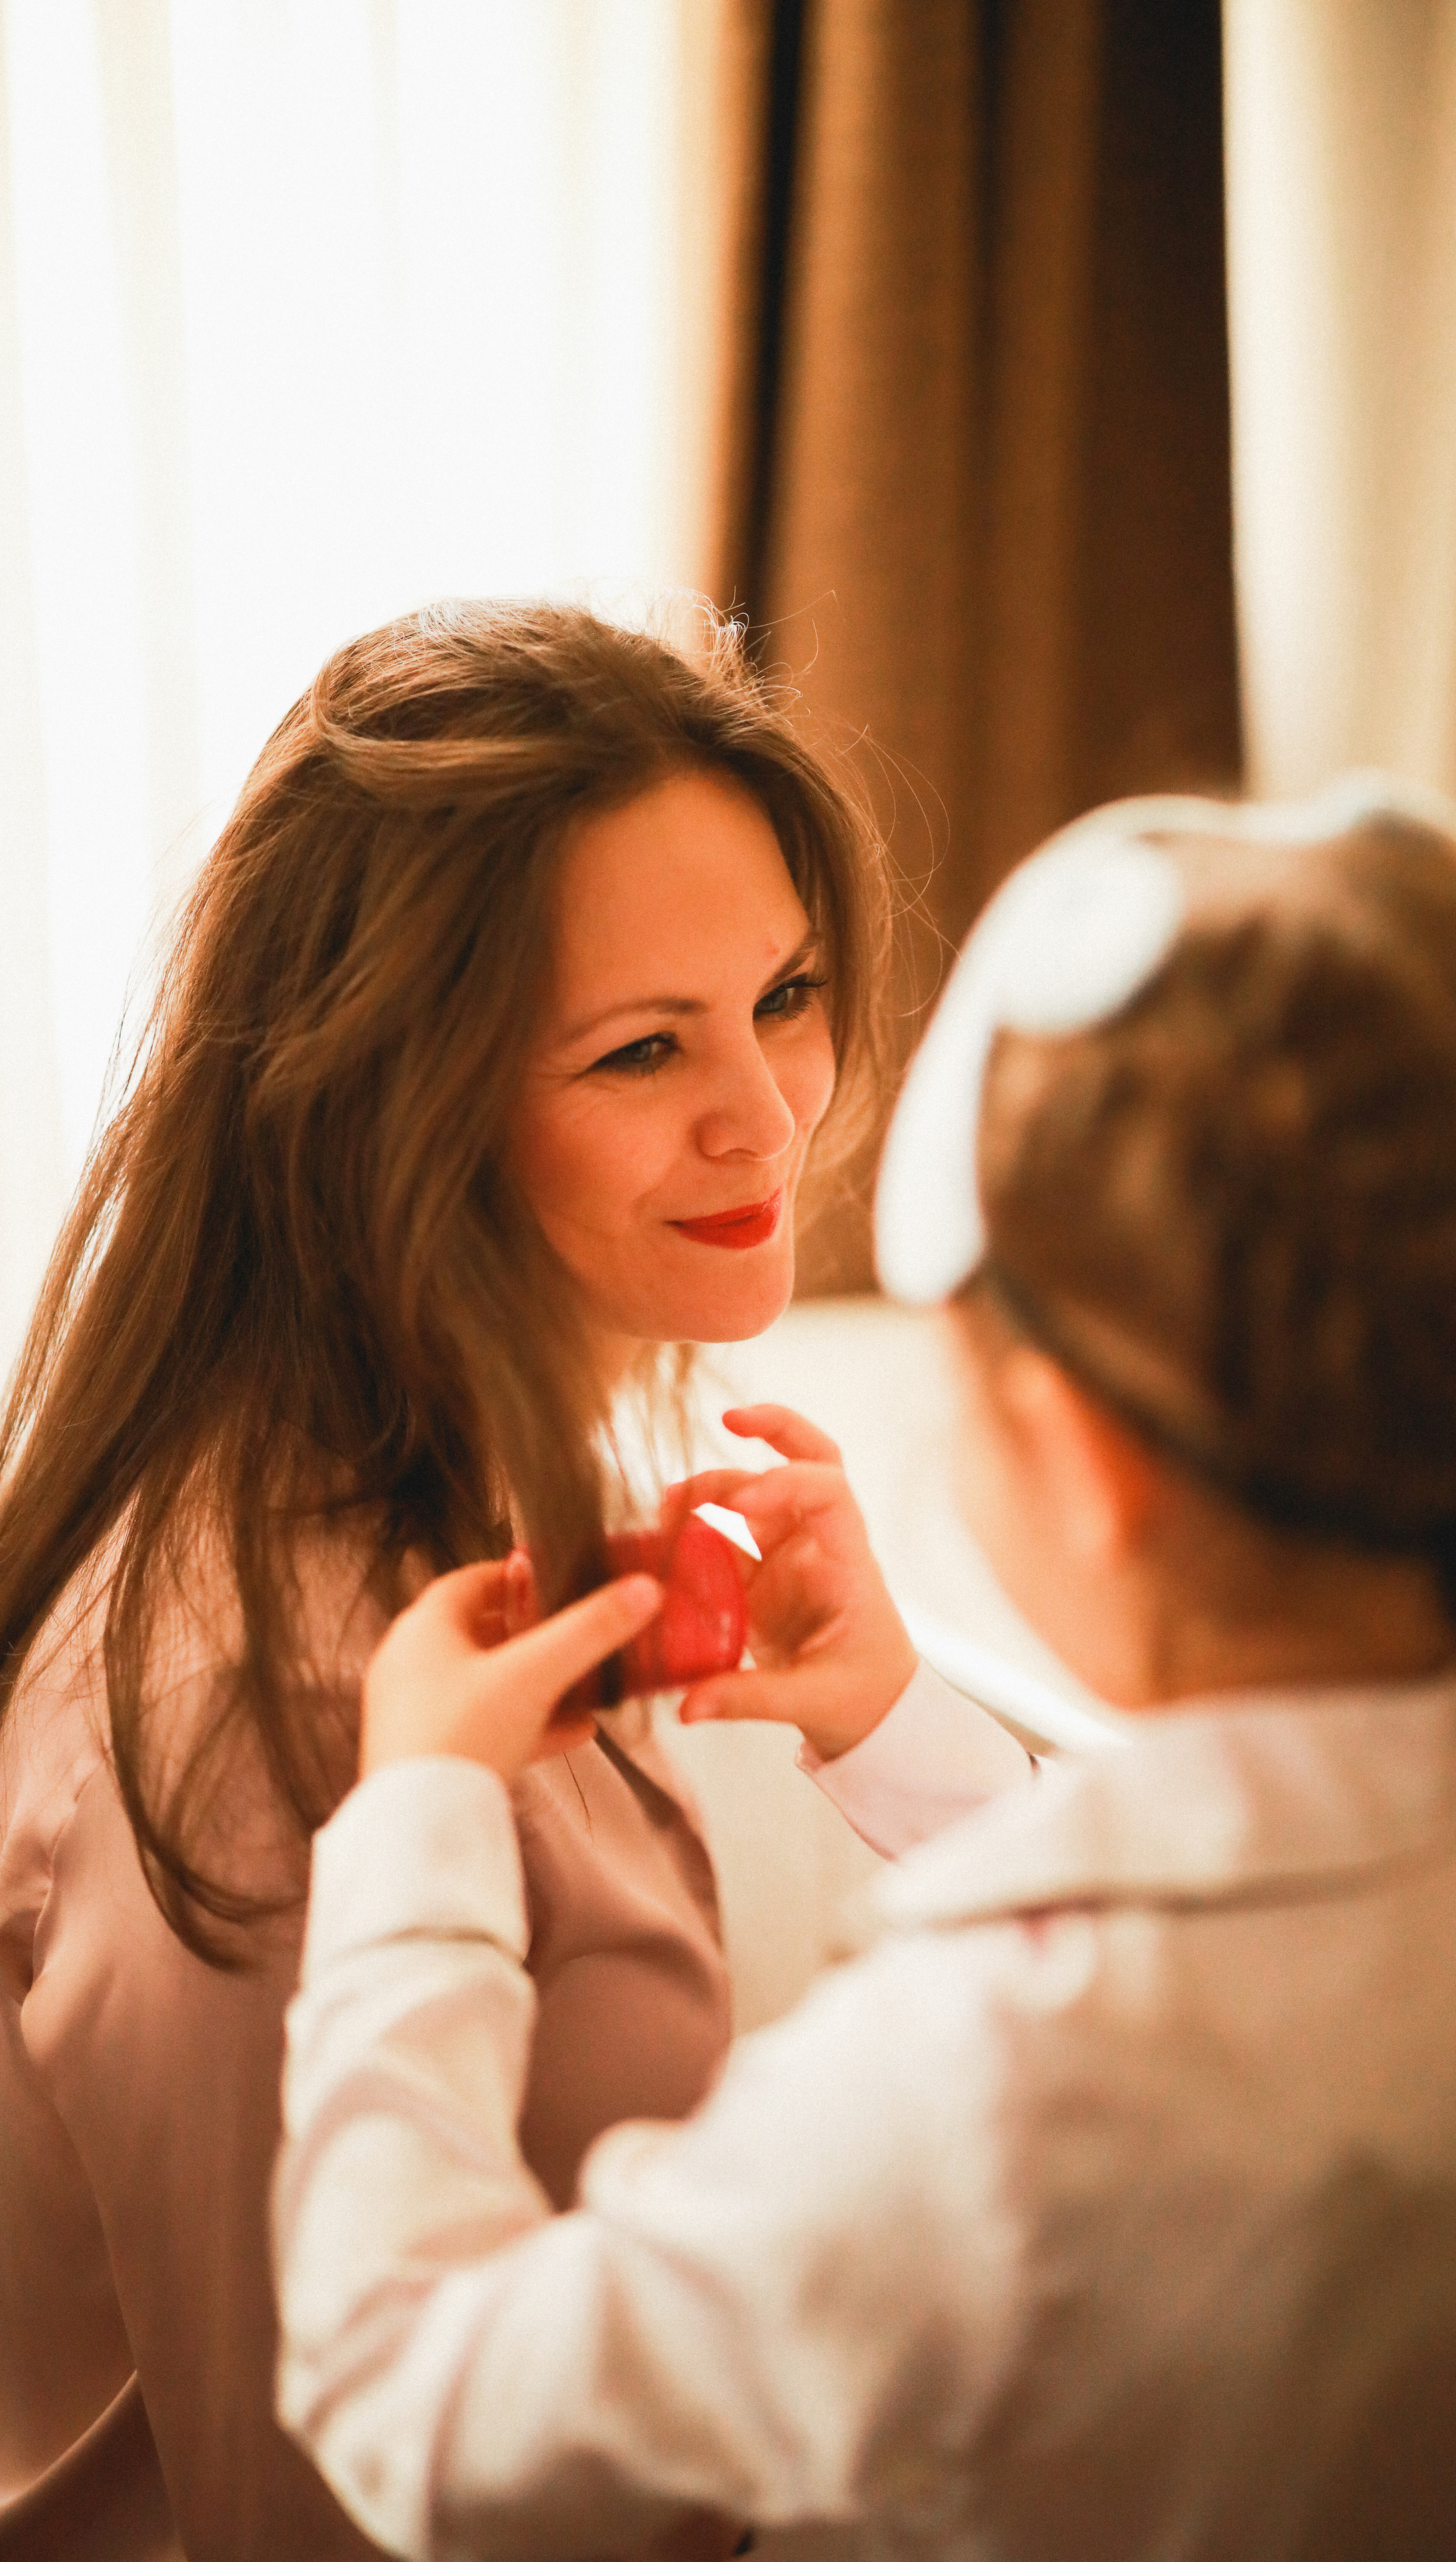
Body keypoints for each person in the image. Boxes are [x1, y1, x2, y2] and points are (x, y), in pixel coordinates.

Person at [273, 781, 1456, 2562]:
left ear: (1083, 1463)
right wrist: (896, 1732)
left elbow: (426, 2416)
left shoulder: (984, 2089)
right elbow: (1252, 1955)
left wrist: (416, 1841)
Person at [0, 602, 1030, 2562]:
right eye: (645, 1047)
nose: (767, 1113)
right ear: (400, 1097)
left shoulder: (478, 1494)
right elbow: (320, 2520)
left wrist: (901, 1735)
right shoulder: (276, 1714)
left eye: (787, 994)